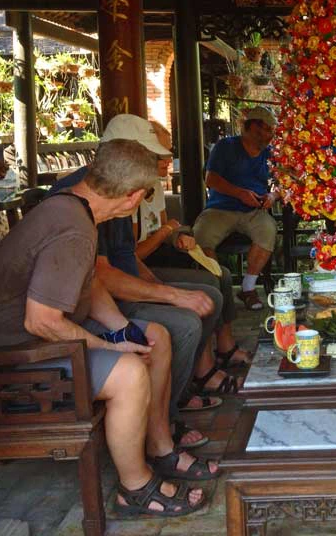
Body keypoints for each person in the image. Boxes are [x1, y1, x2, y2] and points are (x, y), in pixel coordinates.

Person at [0, 139, 218, 517]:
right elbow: (41, 320)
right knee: (129, 373)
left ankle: (160, 447)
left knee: (154, 337)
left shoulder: (74, 206)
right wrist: (109, 347)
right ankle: (135, 488)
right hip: (18, 357)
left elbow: (89, 282)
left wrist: (123, 329)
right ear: (133, 197)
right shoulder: (74, 230)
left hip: (42, 337)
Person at [51, 115, 235, 433]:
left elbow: (124, 257)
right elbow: (98, 278)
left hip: (110, 299)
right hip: (87, 312)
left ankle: (175, 399)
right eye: (150, 154)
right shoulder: (81, 198)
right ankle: (163, 421)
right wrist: (168, 295)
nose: (159, 163)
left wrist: (158, 287)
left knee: (206, 296)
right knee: (184, 323)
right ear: (122, 153)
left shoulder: (118, 188)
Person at [134, 120, 251, 369]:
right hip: (141, 269)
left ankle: (225, 345)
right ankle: (202, 367)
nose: (169, 159)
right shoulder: (129, 194)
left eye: (170, 152)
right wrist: (167, 231)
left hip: (159, 259)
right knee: (209, 286)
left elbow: (165, 230)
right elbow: (134, 253)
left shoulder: (155, 186)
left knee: (221, 274)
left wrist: (178, 237)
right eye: (162, 154)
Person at [194, 106, 278, 311]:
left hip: (254, 212)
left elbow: (283, 181)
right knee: (200, 235)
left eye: (269, 131)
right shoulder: (226, 146)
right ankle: (219, 288)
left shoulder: (270, 153)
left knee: (268, 230)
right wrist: (240, 193)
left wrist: (272, 196)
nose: (266, 136)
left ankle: (248, 288)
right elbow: (211, 179)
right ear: (247, 128)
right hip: (220, 208)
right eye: (261, 130)